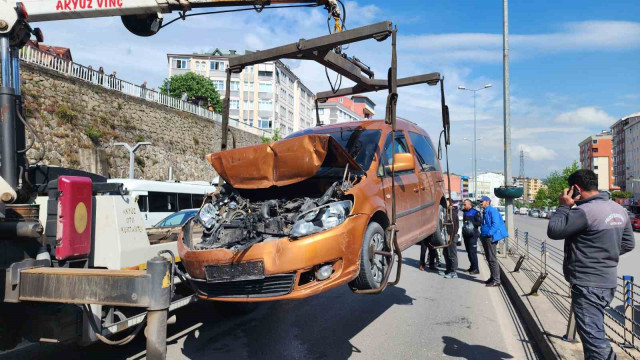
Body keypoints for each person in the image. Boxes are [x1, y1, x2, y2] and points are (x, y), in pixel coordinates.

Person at [547, 169, 635, 360]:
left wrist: (563, 206)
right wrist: (603, 253)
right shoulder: (618, 209)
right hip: (608, 282)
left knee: (594, 341)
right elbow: (628, 243)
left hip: (587, 284)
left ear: (575, 188)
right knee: (595, 331)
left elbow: (554, 230)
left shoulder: (584, 211)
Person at [479, 196, 508, 287]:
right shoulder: (485, 211)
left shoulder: (492, 211)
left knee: (492, 259)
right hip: (485, 236)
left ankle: (496, 280)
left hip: (490, 237)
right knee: (488, 258)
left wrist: (489, 233)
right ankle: (492, 277)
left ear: (487, 202)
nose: (480, 203)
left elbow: (495, 224)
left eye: (482, 201)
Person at [462, 199, 482, 274]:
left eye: (465, 204)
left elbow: (479, 222)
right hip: (466, 234)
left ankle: (476, 269)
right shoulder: (465, 212)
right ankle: (472, 267)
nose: (464, 205)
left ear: (469, 204)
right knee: (469, 252)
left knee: (472, 252)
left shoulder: (475, 212)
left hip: (473, 235)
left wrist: (471, 223)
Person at [441, 199, 459, 278]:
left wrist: (450, 235)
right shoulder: (446, 212)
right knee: (445, 253)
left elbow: (454, 227)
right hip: (446, 236)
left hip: (451, 236)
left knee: (452, 254)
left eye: (446, 202)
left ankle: (453, 271)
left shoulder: (453, 213)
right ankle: (448, 270)